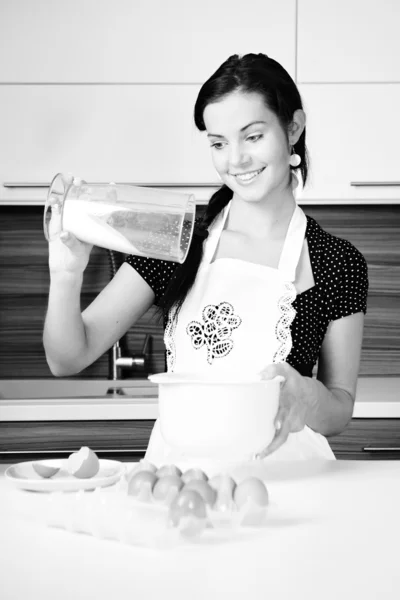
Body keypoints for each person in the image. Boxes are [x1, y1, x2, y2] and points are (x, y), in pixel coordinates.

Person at [43, 53, 368, 464]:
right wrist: (66, 272)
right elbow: (68, 356)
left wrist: (308, 396)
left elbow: (340, 409)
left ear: (293, 128)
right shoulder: (177, 239)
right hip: (180, 483)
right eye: (218, 143)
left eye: (252, 136)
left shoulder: (337, 261)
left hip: (290, 482)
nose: (235, 160)